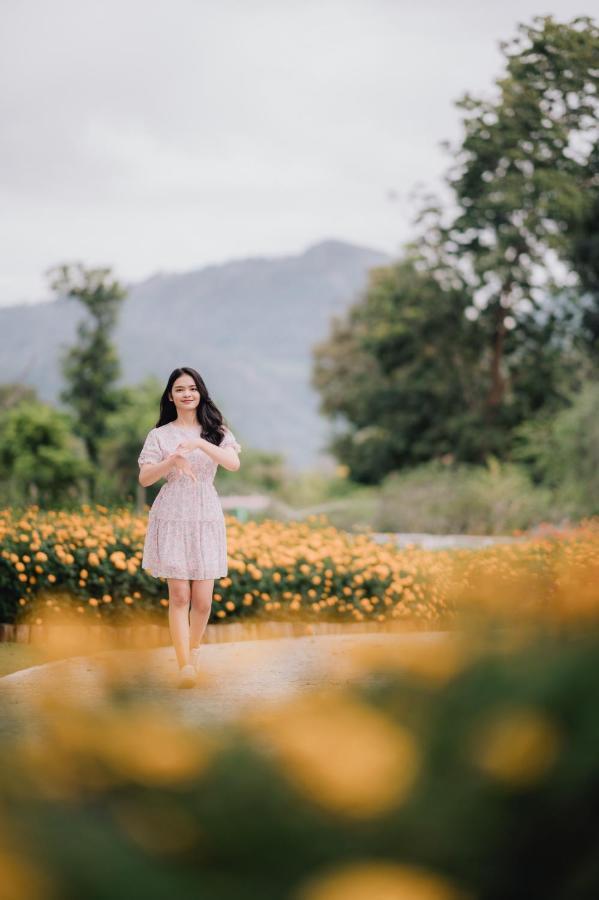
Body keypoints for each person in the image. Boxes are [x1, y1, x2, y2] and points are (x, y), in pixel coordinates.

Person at [137, 366, 242, 688]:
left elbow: (233, 464)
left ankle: (193, 651)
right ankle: (184, 665)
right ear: (171, 395)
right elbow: (145, 477)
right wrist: (171, 461)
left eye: (192, 388)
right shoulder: (160, 435)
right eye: (180, 389)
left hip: (205, 515)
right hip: (172, 515)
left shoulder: (217, 431)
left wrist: (197, 445)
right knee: (180, 595)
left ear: (200, 393)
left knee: (203, 601)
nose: (187, 394)